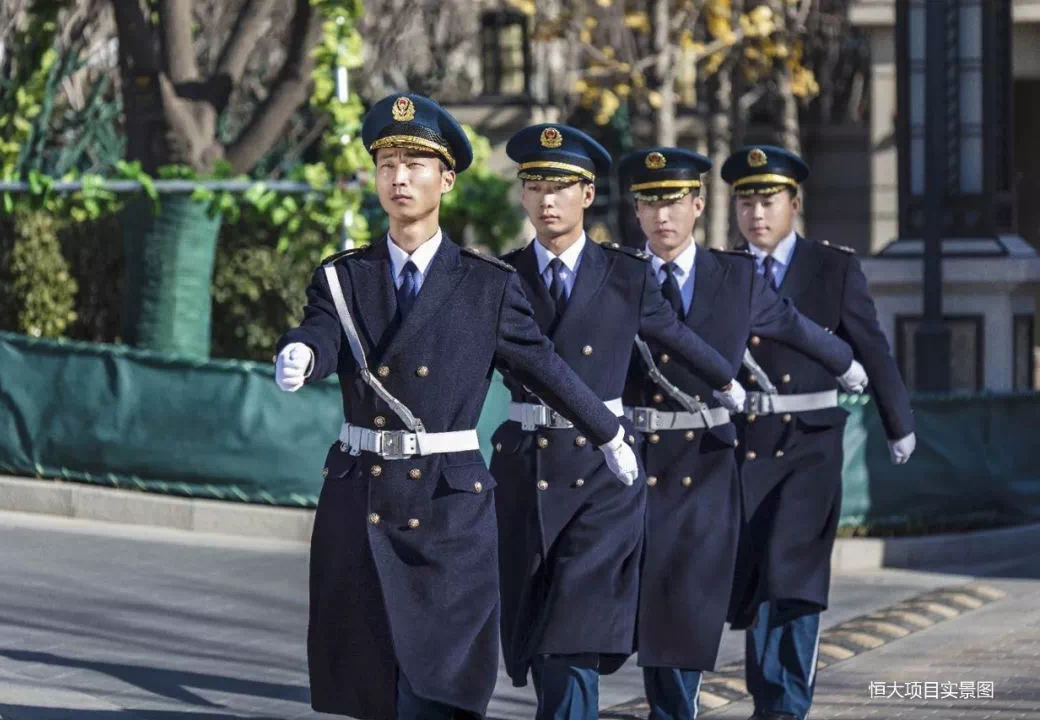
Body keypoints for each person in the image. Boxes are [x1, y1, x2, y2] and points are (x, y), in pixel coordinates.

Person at [273, 94, 640, 720]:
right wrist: (302, 350)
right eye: (387, 163)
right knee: (369, 682)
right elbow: (323, 330)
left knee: (438, 687)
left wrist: (607, 433)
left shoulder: (487, 284)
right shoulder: (345, 276)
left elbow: (545, 367)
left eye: (415, 164)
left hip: (447, 507)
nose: (398, 177)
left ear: (446, 179)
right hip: (361, 495)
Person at [488, 124, 747, 720]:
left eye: (561, 187)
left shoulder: (627, 274)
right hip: (526, 465)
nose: (547, 200)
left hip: (602, 472)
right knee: (536, 624)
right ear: (523, 196)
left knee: (575, 626)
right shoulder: (499, 278)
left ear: (587, 194)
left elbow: (671, 334)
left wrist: (725, 379)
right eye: (535, 186)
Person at [616, 147, 866, 720]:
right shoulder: (618, 272)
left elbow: (788, 323)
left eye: (675, 201)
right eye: (650, 203)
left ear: (699, 205)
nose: (663, 216)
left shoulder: (734, 274)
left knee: (684, 599)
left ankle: (682, 710)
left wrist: (847, 362)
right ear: (635, 211)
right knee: (653, 600)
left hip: (707, 459)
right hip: (638, 456)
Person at [720, 145, 916, 720]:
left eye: (769, 200)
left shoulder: (833, 267)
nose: (757, 213)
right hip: (745, 440)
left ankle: (788, 702)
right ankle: (767, 695)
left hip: (810, 441)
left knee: (795, 573)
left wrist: (897, 420)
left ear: (794, 204)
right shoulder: (722, 270)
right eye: (747, 201)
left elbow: (870, 345)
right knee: (757, 576)